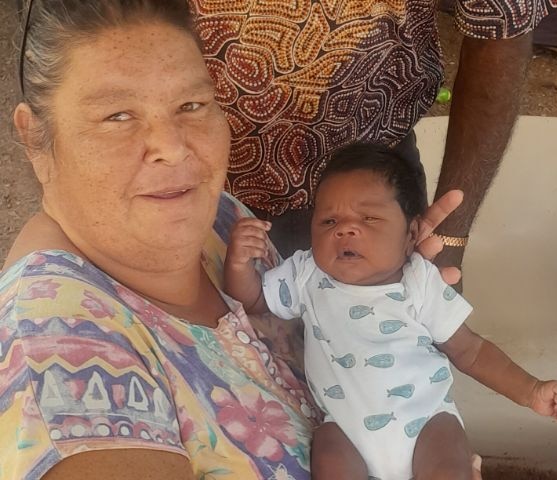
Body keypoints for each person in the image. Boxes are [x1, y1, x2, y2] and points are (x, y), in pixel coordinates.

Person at [1, 1, 466, 479]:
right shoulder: (64, 365)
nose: (173, 146)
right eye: (118, 115)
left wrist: (376, 294)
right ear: (35, 136)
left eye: (192, 104)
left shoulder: (218, 219)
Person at [224, 143, 557, 480]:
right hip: (345, 430)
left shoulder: (419, 282)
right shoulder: (306, 275)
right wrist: (239, 264)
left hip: (427, 423)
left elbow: (471, 351)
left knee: (448, 470)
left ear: (411, 234)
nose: (346, 229)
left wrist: (531, 390)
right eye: (328, 222)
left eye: (369, 218)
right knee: (328, 454)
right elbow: (254, 301)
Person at [186, 0, 557, 274]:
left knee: (380, 359)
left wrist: (449, 241)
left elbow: (500, 34)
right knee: (220, 362)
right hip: (183, 181)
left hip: (372, 189)